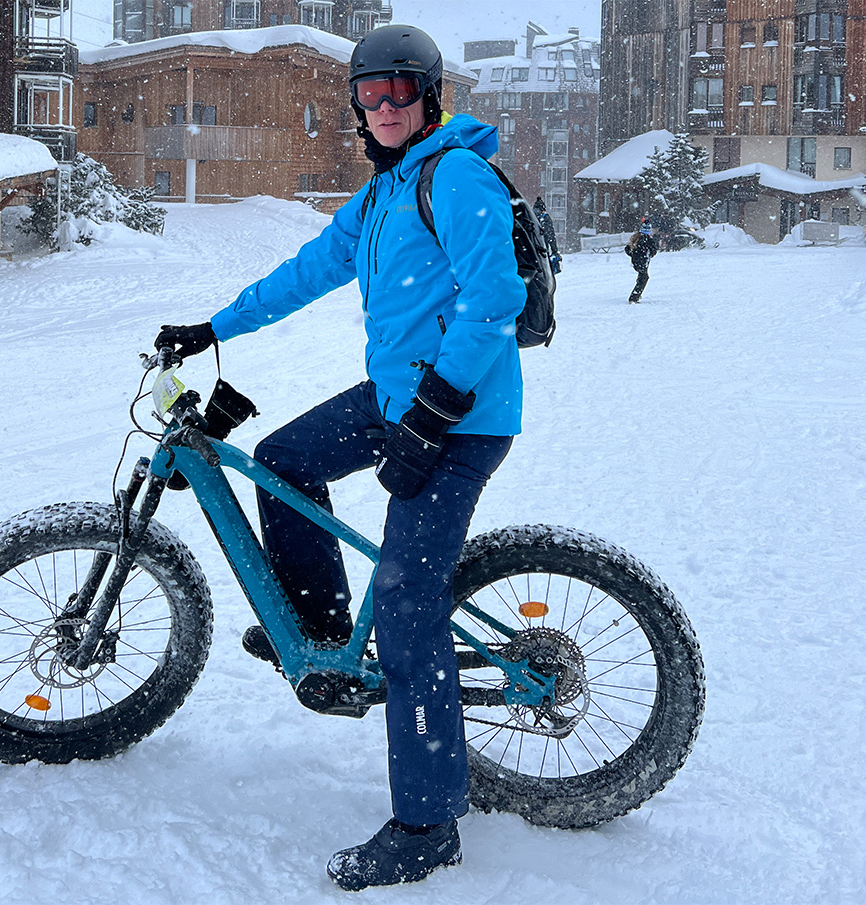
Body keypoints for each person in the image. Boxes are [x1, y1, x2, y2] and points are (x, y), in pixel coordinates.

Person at [153, 24, 525, 891]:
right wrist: (216, 325)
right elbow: (309, 268)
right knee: (283, 457)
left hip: (460, 417)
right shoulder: (385, 190)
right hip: (398, 402)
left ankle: (429, 822)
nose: (385, 107)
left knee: (403, 599)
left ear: (430, 96)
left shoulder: (455, 173)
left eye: (401, 91)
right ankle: (321, 632)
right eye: (370, 93)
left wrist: (434, 414)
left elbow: (496, 295)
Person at [624, 217, 660, 303]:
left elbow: (627, 249)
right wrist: (648, 255)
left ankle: (636, 294)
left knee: (642, 276)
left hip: (636, 261)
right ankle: (634, 297)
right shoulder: (648, 240)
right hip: (642, 261)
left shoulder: (637, 238)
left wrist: (633, 255)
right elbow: (653, 250)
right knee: (644, 277)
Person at [533, 196, 563, 273]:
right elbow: (551, 236)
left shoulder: (531, 217)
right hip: (542, 250)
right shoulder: (545, 219)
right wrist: (554, 250)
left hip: (531, 250)